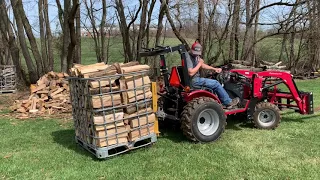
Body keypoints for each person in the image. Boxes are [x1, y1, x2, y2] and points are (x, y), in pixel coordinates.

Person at [185, 42, 239, 109]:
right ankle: (228, 102)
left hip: (195, 79)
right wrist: (200, 63)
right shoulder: (188, 57)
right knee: (215, 83)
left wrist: (214, 69)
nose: (196, 55)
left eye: (198, 54)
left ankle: (220, 101)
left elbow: (202, 65)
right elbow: (191, 73)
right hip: (193, 81)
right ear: (191, 49)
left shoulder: (195, 55)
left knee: (211, 80)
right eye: (195, 53)